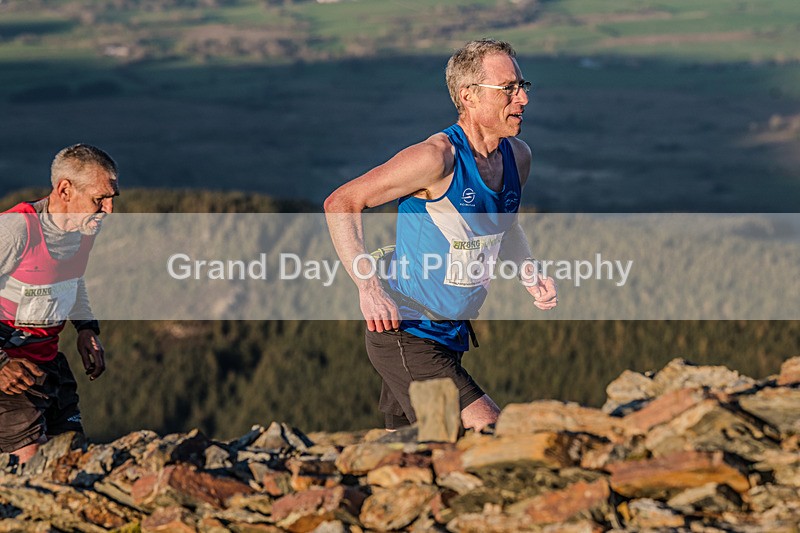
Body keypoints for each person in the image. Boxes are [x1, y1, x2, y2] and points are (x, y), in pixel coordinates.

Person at [324, 39, 557, 432]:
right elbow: (341, 203)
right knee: (489, 433)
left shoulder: (518, 157)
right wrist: (368, 288)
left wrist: (528, 273)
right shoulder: (437, 158)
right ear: (468, 96)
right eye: (509, 89)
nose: (523, 99)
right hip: (406, 332)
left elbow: (506, 224)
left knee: (411, 455)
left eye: (523, 86)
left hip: (450, 335)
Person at [0, 144, 119, 463]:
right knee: (30, 462)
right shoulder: (15, 231)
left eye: (111, 199)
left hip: (48, 363)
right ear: (65, 189)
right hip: (9, 371)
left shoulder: (83, 231)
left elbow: (71, 281)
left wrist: (85, 328)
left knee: (71, 459)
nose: (108, 210)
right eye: (99, 199)